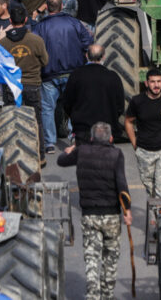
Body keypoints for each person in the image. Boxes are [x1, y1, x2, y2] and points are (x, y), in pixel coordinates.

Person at [56, 123, 131, 300]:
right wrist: (127, 210)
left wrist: (70, 150)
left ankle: (92, 295)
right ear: (111, 138)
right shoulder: (116, 154)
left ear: (91, 138)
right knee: (110, 260)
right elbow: (122, 184)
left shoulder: (82, 151)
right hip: (111, 216)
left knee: (92, 260)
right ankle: (107, 295)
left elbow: (60, 161)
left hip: (89, 215)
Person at [33, 0, 94, 153]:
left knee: (47, 108)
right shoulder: (75, 23)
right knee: (74, 106)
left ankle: (50, 143)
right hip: (73, 72)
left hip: (48, 73)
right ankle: (74, 137)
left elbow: (35, 50)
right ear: (62, 6)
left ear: (47, 7)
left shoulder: (40, 27)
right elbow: (88, 44)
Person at [0, 4, 47, 159]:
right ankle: (40, 155)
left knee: (12, 121)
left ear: (10, 21)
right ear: (26, 19)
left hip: (12, 87)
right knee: (36, 121)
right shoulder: (36, 40)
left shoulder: (3, 43)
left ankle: (13, 155)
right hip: (32, 85)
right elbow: (45, 61)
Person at [125, 68, 161, 199]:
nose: (156, 85)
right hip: (145, 152)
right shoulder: (137, 101)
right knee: (150, 191)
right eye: (152, 82)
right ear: (146, 83)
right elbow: (128, 122)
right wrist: (135, 144)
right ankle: (156, 218)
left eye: (158, 82)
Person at [63, 44, 125, 143]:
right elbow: (120, 105)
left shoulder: (76, 75)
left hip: (82, 129)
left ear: (86, 56)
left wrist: (75, 117)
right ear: (104, 56)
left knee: (83, 156)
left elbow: (67, 102)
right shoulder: (113, 77)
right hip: (106, 130)